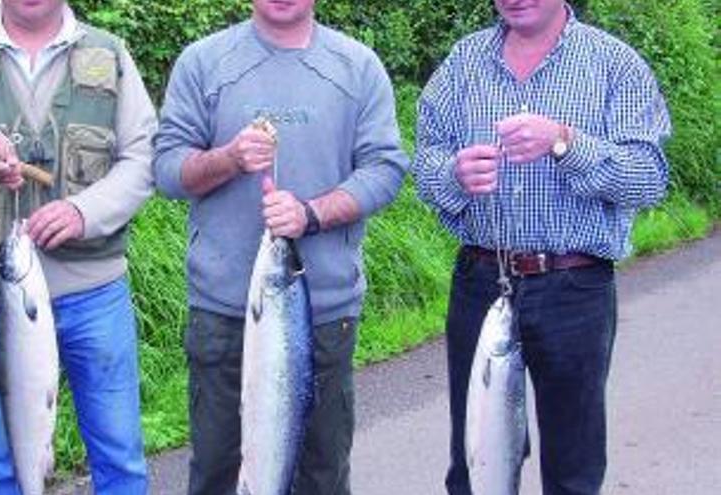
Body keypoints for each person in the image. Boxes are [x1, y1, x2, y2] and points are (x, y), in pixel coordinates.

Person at [0, 1, 156, 493]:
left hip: (96, 293)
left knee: (120, 462)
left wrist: (85, 212)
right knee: (10, 468)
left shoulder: (110, 50)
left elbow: (144, 159)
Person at [413, 1, 670, 494]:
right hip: (481, 281)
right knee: (475, 462)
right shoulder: (463, 63)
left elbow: (648, 178)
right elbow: (425, 160)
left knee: (573, 467)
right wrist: (455, 174)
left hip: (575, 286)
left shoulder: (614, 64)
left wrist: (566, 143)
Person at [152, 0, 409, 493]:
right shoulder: (204, 62)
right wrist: (228, 158)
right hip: (224, 313)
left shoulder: (357, 67)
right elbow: (166, 171)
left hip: (324, 313)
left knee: (320, 473)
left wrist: (311, 214)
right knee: (219, 473)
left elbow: (385, 170)